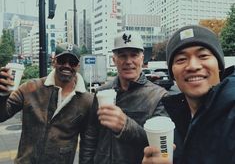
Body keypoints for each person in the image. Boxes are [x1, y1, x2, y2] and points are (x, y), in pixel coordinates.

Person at [142, 25, 235, 164]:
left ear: (219, 66)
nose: (192, 66)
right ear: (172, 73)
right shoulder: (173, 121)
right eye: (181, 59)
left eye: (203, 56)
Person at [79, 31, 168, 164]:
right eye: (122, 56)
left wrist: (125, 126)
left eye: (134, 55)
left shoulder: (158, 96)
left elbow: (160, 147)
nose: (128, 61)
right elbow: (90, 137)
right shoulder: (101, 92)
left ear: (142, 58)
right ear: (114, 60)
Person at [0, 43, 94, 164]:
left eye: (72, 62)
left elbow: (88, 143)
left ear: (78, 66)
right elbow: (2, 115)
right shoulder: (30, 88)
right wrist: (2, 95)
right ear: (54, 61)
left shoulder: (87, 101)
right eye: (62, 60)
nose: (67, 66)